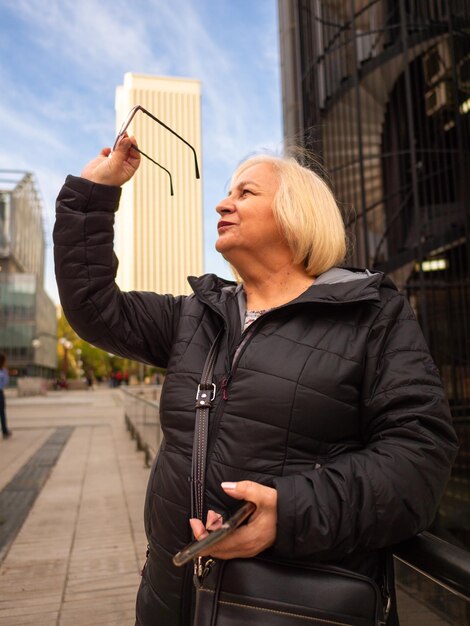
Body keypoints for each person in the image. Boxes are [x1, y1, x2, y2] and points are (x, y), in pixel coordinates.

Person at [53, 134, 458, 626]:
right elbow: (94, 307)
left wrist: (289, 515)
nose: (223, 203)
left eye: (245, 193)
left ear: (296, 214)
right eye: (228, 193)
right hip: (170, 597)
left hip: (289, 607)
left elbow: (420, 458)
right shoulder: (194, 316)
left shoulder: (373, 315)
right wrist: (92, 194)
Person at [0, 354, 11, 439]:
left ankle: (5, 430)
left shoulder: (4, 371)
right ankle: (4, 431)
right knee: (2, 413)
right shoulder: (4, 371)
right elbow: (5, 383)